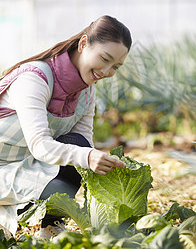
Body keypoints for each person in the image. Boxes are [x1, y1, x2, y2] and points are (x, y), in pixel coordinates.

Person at [0, 15, 132, 238]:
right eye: (104, 58)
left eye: (116, 66)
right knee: (67, 176)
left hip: (25, 166)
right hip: (6, 167)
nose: (108, 71)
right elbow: (40, 145)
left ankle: (49, 227)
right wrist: (88, 157)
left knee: (78, 146)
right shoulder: (34, 78)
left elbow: (82, 140)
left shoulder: (87, 90)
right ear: (83, 44)